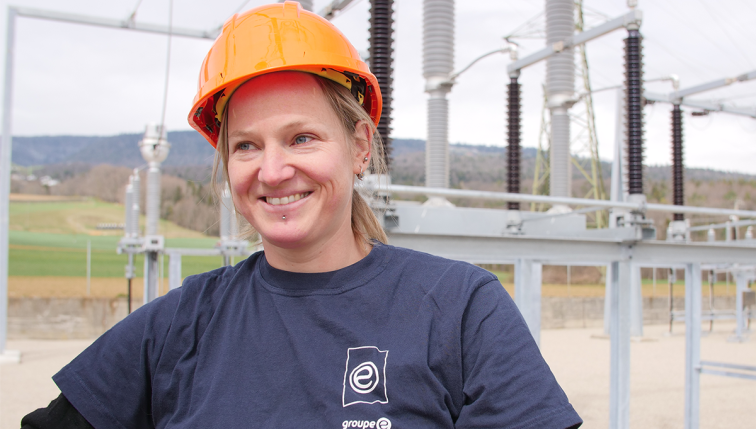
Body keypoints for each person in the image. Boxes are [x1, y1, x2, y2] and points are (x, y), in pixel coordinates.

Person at [22, 2, 582, 428]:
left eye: (301, 137)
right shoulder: (179, 324)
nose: (272, 170)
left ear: (360, 144)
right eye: (245, 146)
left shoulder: (458, 308)